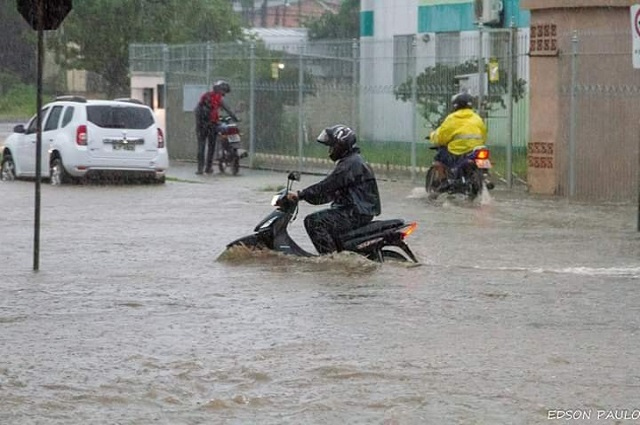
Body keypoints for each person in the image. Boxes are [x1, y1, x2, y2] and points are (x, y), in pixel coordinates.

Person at [287, 125, 381, 255]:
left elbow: (327, 185)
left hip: (355, 212)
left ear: (341, 145)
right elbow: (330, 192)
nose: (330, 150)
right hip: (357, 210)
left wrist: (300, 194)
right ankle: (336, 253)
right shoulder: (351, 161)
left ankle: (329, 260)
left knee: (314, 221)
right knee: (325, 218)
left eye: (332, 146)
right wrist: (307, 197)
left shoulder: (350, 164)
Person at [429, 91, 487, 181]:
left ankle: (443, 180)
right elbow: (484, 135)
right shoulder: (477, 118)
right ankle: (484, 178)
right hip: (475, 150)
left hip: (457, 151)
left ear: (455, 105)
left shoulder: (452, 118)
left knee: (439, 158)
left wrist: (433, 136)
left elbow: (441, 137)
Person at [194, 80, 239, 175]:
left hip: (201, 125)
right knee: (211, 146)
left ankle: (200, 169)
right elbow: (228, 110)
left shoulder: (206, 96)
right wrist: (235, 118)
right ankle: (208, 168)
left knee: (201, 146)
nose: (224, 94)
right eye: (224, 92)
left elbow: (197, 109)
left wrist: (200, 123)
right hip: (211, 125)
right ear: (221, 90)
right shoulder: (218, 98)